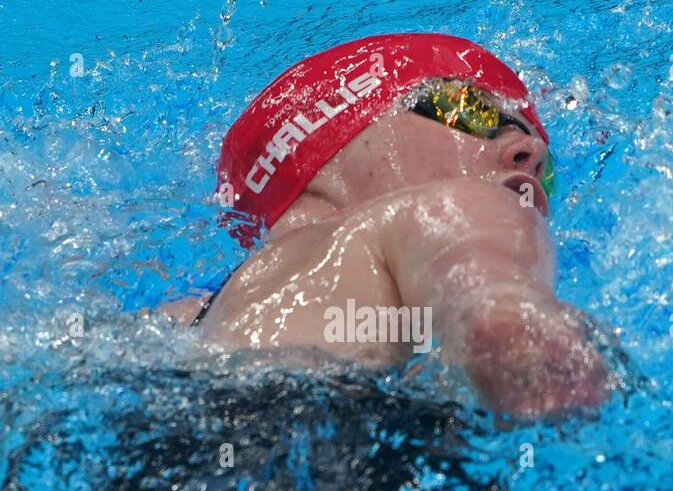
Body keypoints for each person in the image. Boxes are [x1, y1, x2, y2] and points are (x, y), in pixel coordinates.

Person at [161, 33, 618, 420]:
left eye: (550, 168)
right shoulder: (450, 207)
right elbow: (502, 329)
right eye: (471, 110)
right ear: (324, 148)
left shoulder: (188, 319)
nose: (531, 153)